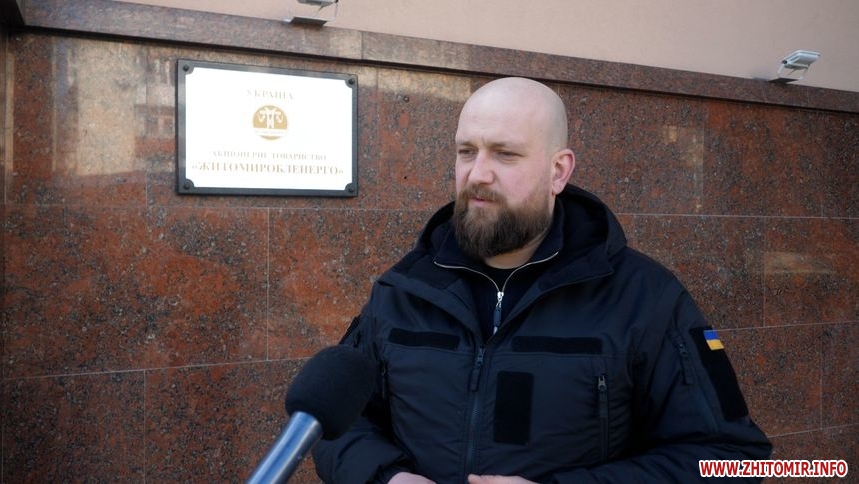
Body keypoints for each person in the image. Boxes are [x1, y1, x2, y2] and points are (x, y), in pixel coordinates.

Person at [312, 77, 772, 483]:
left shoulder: (647, 299)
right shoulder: (402, 290)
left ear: (558, 171)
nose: (478, 174)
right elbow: (332, 426)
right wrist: (386, 477)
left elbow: (732, 459)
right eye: (466, 152)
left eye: (505, 154)